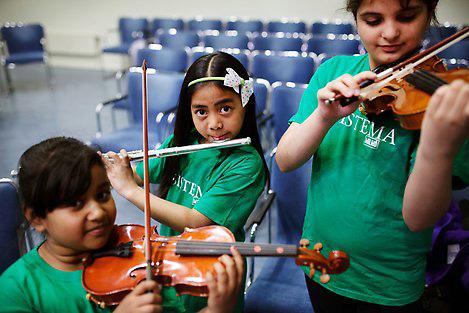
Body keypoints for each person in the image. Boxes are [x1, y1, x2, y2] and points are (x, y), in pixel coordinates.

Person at [275, 0, 469, 311]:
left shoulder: (447, 103)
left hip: (389, 283)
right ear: (355, 19)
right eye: (373, 20)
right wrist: (324, 117)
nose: (390, 33)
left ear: (429, 12)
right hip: (320, 259)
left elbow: (419, 219)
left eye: (406, 17)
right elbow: (285, 160)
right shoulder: (333, 72)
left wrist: (438, 146)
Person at [0, 137, 245, 313]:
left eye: (103, 195)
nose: (97, 212)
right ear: (36, 218)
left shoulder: (136, 259)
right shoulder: (17, 290)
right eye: (76, 203)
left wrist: (216, 309)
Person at [102, 52, 268, 312]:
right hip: (167, 258)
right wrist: (112, 170)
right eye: (201, 111)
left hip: (210, 269)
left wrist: (130, 191)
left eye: (225, 108)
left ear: (244, 103)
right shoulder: (185, 142)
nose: (214, 124)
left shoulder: (246, 164)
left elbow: (196, 222)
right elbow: (139, 174)